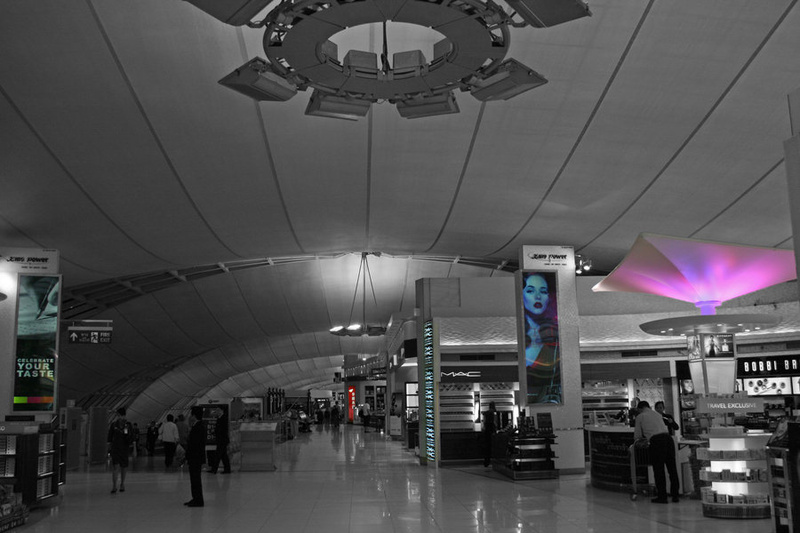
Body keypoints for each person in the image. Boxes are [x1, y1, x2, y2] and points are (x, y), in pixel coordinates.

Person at [522, 272, 561, 404]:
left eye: (543, 291)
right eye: (530, 291)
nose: (538, 296)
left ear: (549, 297)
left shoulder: (556, 340)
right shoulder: (520, 336)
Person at [634, 401, 680, 504]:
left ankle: (662, 497)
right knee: (672, 468)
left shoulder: (640, 416)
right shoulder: (657, 414)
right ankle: (675, 495)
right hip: (668, 439)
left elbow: (637, 435)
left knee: (659, 470)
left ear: (640, 409)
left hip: (657, 441)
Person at [107, 407, 134, 494]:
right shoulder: (114, 425)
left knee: (123, 467)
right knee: (115, 466)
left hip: (124, 448)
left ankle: (122, 483)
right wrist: (109, 448)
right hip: (116, 448)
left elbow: (130, 437)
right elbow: (110, 437)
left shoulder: (128, 425)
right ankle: (114, 485)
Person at [185, 406, 205, 507]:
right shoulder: (198, 426)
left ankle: (198, 500)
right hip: (196, 457)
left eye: (191, 414)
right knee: (194, 479)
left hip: (195, 457)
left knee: (195, 479)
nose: (189, 417)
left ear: (194, 416)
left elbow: (194, 444)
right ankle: (195, 498)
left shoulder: (198, 427)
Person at [482, 401, 498, 467]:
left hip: (487, 431)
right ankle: (494, 461)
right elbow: (495, 422)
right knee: (494, 446)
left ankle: (486, 462)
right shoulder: (494, 413)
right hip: (492, 430)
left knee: (487, 447)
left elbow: (484, 422)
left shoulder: (486, 413)